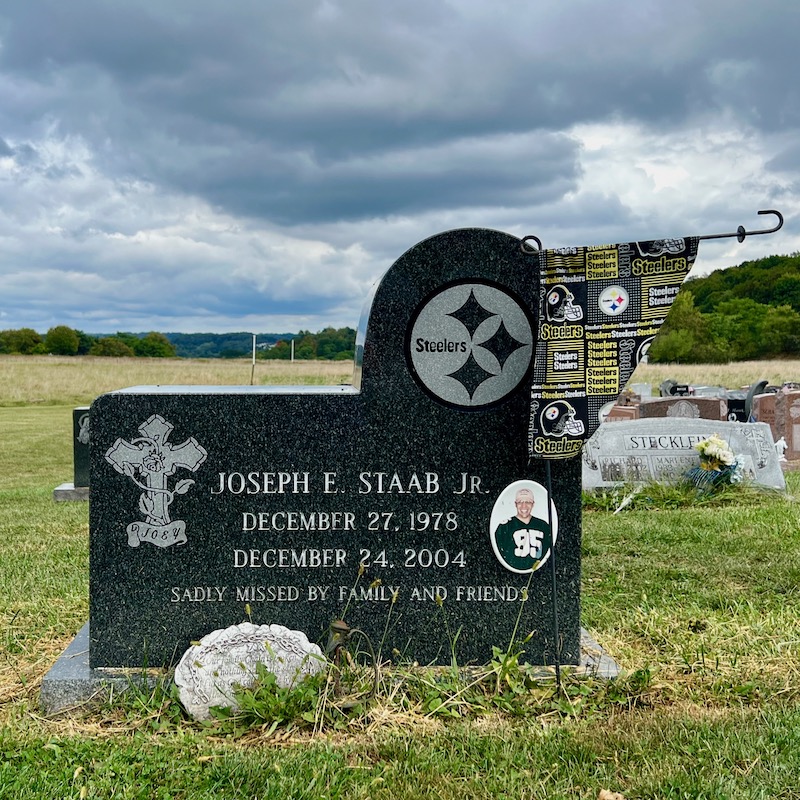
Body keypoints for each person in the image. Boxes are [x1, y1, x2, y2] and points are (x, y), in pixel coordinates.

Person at [492, 487, 551, 572]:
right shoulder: (504, 527)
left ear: (533, 504)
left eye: (528, 502)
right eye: (520, 502)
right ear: (515, 504)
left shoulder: (543, 526)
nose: (524, 506)